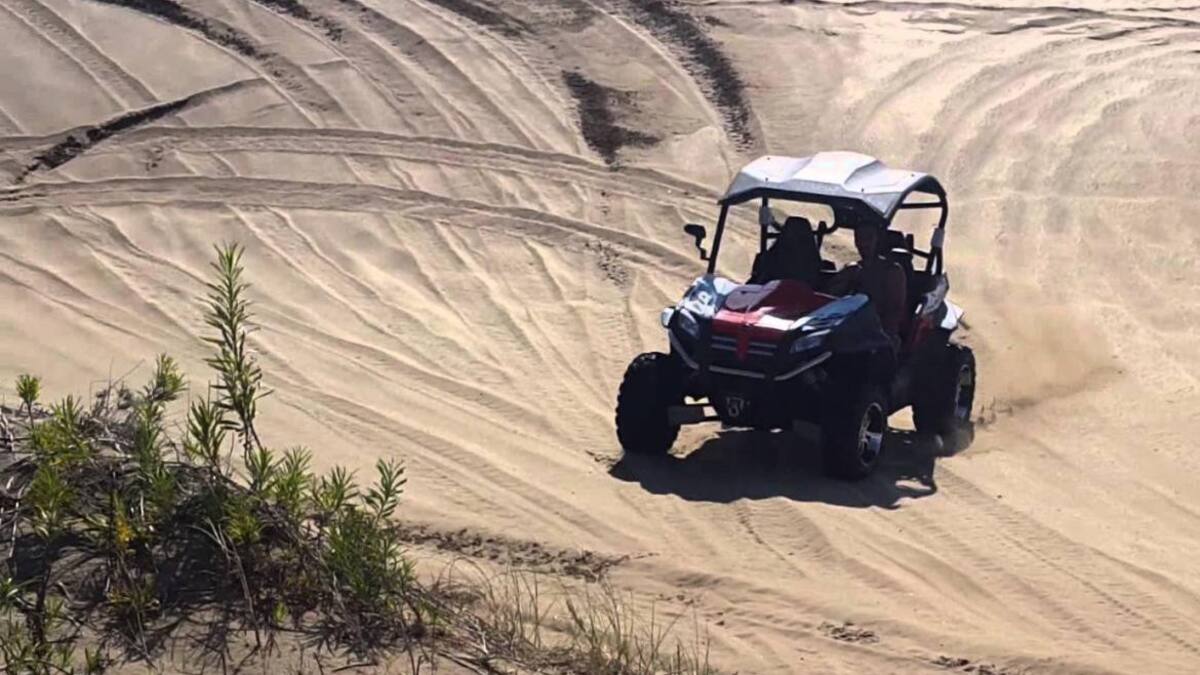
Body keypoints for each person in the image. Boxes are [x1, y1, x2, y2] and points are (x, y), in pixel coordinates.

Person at [822, 225, 908, 349]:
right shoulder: (852, 269)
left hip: (878, 334)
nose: (863, 244)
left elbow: (894, 311)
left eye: (868, 238)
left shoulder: (892, 271)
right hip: (844, 327)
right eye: (859, 238)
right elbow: (828, 296)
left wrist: (880, 336)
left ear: (877, 239)